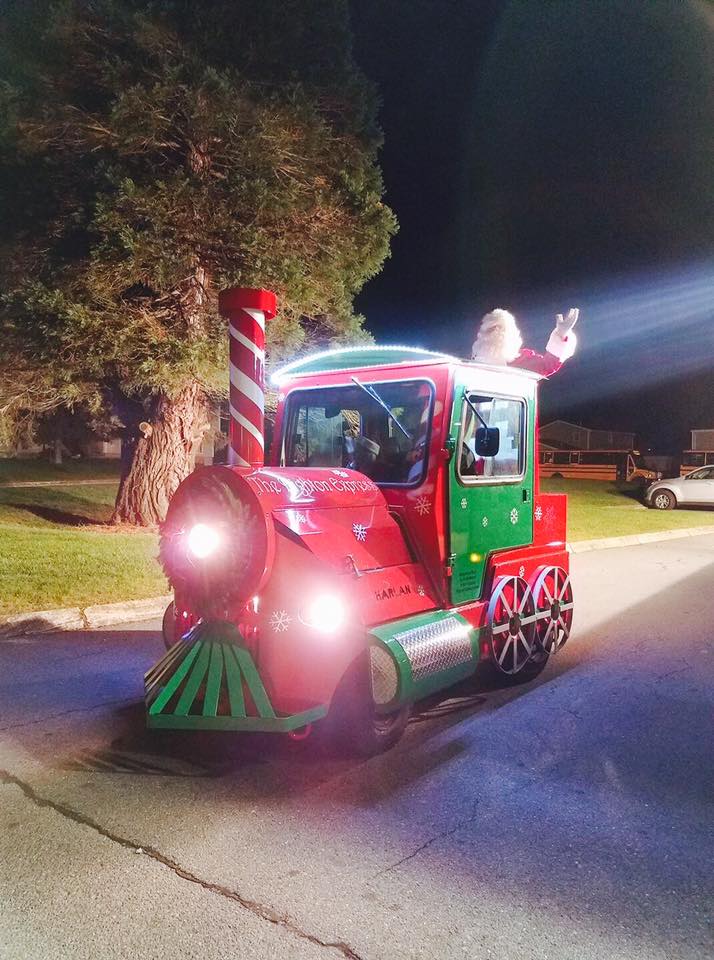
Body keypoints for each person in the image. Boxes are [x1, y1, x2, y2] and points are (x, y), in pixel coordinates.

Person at [472, 307, 579, 375]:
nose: (496, 332)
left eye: (501, 329)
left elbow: (547, 364)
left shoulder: (521, 362)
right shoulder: (471, 366)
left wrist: (561, 334)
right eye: (492, 329)